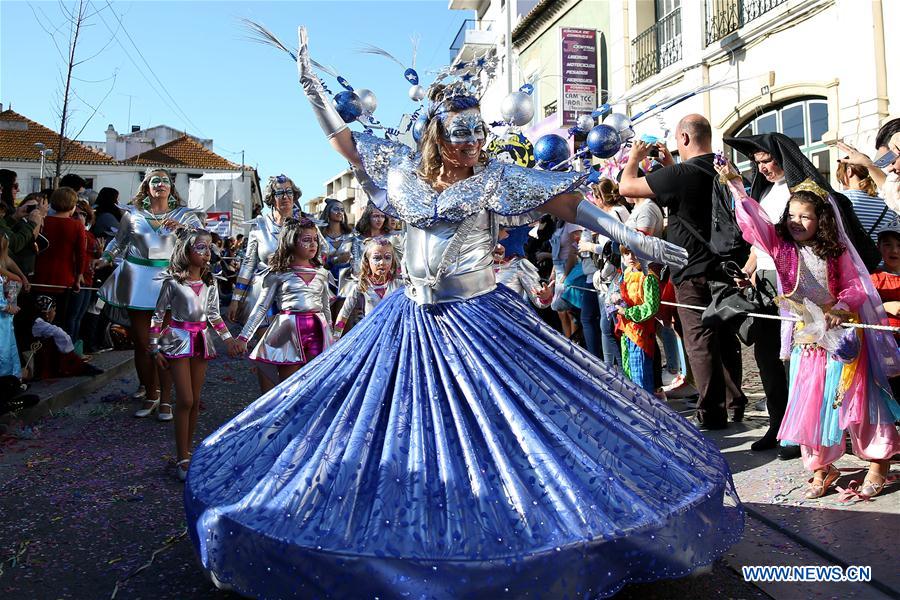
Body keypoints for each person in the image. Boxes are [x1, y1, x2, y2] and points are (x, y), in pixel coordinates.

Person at [181, 28, 741, 600]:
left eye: (478, 129)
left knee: (508, 428)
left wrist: (634, 237)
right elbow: (347, 145)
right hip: (406, 319)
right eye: (460, 130)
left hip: (480, 318)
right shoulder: (402, 173)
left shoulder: (495, 177)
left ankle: (531, 530)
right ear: (436, 134)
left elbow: (569, 203)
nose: (473, 139)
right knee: (401, 432)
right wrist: (310, 86)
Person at [718, 157, 900, 499]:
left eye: (806, 216)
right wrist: (736, 187)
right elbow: (755, 222)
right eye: (792, 216)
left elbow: (856, 287)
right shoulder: (780, 246)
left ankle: (879, 462)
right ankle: (821, 467)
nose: (797, 222)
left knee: (859, 401)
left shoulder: (836, 250)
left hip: (843, 339)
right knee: (810, 403)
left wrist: (841, 308)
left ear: (821, 220)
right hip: (808, 339)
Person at [620, 115, 747, 429]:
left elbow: (626, 185)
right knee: (724, 334)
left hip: (691, 269)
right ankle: (735, 401)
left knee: (699, 339)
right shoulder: (722, 168)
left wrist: (634, 157)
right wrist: (667, 165)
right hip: (724, 264)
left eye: (678, 140)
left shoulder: (681, 173)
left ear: (686, 139)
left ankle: (712, 412)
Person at [95, 169, 202, 417]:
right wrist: (105, 258)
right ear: (146, 188)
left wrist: (184, 229)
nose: (160, 184)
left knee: (165, 343)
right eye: (155, 180)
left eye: (165, 180)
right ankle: (150, 393)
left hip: (171, 281)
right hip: (138, 280)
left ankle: (166, 399)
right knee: (144, 344)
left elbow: (203, 240)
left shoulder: (185, 215)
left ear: (171, 188)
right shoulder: (132, 214)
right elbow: (118, 242)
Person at [149, 229, 238, 478]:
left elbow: (213, 315)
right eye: (200, 247)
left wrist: (229, 340)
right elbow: (157, 316)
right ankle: (181, 455)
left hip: (200, 340)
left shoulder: (211, 283)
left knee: (195, 401)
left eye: (209, 247)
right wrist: (154, 347)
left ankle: (186, 454)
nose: (206, 252)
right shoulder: (172, 282)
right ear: (186, 251)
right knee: (185, 399)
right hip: (177, 340)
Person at [234, 218, 334, 384]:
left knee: (315, 383)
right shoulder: (277, 274)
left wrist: (333, 335)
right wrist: (244, 337)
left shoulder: (322, 273)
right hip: (288, 331)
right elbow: (261, 307)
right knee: (288, 387)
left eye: (315, 239)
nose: (313, 244)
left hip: (318, 330)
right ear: (291, 242)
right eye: (306, 240)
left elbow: (325, 307)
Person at [33, 187, 87, 331]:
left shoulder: (43, 221)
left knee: (40, 319)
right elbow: (81, 253)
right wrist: (78, 276)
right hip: (65, 278)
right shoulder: (76, 225)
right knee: (60, 322)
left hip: (40, 275)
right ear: (73, 205)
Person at [333, 236, 404, 339]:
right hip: (369, 337)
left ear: (392, 261)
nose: (382, 263)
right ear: (367, 261)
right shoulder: (361, 286)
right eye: (377, 258)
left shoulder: (399, 285)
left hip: (393, 336)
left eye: (387, 257)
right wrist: (336, 337)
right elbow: (344, 312)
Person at [614, 245, 661, 393]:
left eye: (635, 253)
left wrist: (627, 312)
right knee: (629, 374)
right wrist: (616, 299)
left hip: (641, 334)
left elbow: (651, 307)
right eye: (627, 254)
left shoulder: (649, 277)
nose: (631, 257)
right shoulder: (626, 273)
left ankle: (647, 412)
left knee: (641, 377)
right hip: (626, 331)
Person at [64, 199, 101, 346]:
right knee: (72, 317)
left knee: (79, 316)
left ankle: (73, 350)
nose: (80, 217)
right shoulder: (73, 232)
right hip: (77, 278)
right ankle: (69, 350)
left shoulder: (89, 234)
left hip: (88, 278)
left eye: (83, 214)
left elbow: (93, 256)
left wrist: (100, 253)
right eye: (76, 214)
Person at [494, 225, 553, 310]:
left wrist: (544, 297)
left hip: (512, 318)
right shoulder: (476, 267)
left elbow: (538, 300)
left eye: (501, 241)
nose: (498, 246)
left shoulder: (519, 265)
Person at [836, 161, 895, 243]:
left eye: (840, 177)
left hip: (850, 255)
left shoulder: (838, 199)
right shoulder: (889, 202)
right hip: (879, 255)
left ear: (849, 171)